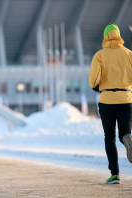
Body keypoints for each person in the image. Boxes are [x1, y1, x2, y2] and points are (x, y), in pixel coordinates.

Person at [89, 23, 132, 184]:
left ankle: (115, 174)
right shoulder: (129, 54)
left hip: (107, 100)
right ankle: (127, 138)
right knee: (123, 133)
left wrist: (97, 87)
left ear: (105, 37)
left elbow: (93, 80)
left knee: (109, 137)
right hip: (126, 99)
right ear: (119, 35)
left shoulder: (100, 55)